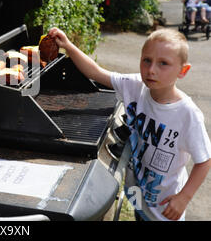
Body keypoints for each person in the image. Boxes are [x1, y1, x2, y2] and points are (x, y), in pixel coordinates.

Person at [48, 27, 211, 221]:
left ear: (183, 71)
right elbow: (97, 73)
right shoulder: (135, 86)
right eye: (146, 60)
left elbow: (204, 160)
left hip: (165, 209)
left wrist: (184, 198)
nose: (151, 70)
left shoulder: (188, 114)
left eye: (163, 63)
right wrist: (67, 46)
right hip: (138, 195)